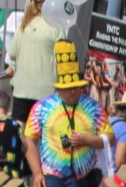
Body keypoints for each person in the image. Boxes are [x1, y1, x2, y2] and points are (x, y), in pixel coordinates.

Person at [23, 50, 106, 187]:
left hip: (83, 176)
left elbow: (110, 139)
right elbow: (29, 141)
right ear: (59, 89)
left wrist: (87, 140)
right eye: (68, 88)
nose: (73, 91)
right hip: (52, 176)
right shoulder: (42, 107)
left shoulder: (93, 107)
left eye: (76, 87)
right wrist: (37, 173)